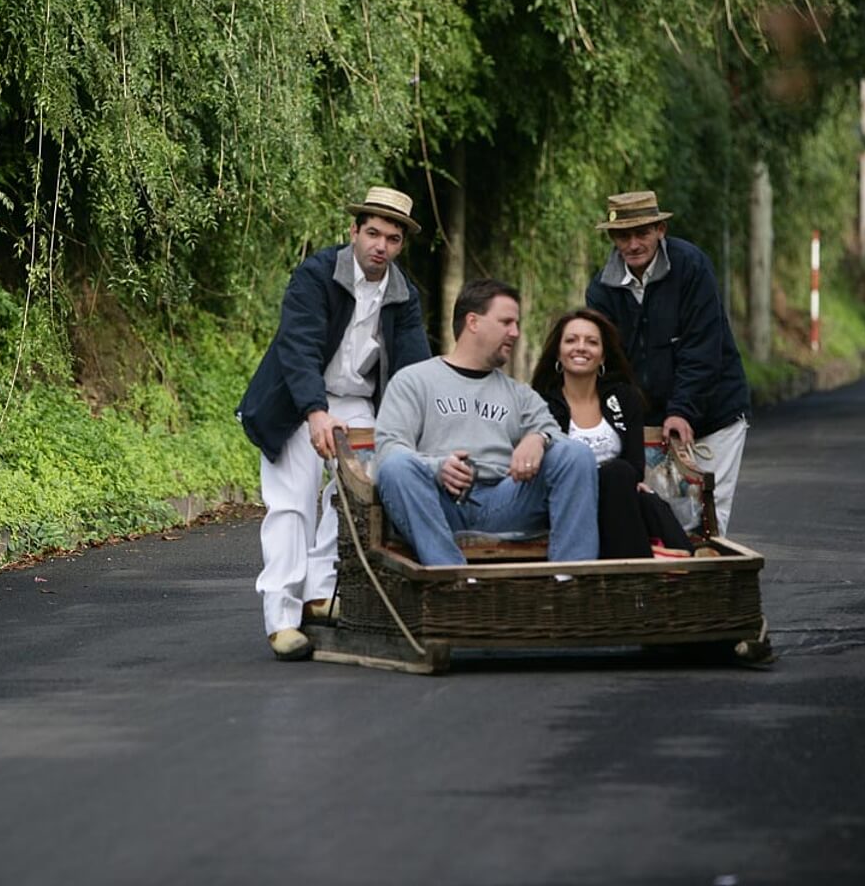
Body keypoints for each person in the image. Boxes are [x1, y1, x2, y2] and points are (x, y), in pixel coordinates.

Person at [236, 187, 431, 661]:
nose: (379, 246)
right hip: (297, 401)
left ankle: (319, 593)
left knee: (352, 497)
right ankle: (281, 618)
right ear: (354, 232)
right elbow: (297, 347)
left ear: (401, 244)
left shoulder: (404, 295)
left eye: (391, 238)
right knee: (291, 503)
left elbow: (412, 367)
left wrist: (416, 427)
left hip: (359, 403)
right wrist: (315, 411)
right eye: (372, 233)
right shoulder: (316, 274)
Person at [373, 279, 599, 567]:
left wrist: (538, 438)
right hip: (437, 505)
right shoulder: (414, 381)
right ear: (473, 322)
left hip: (504, 502)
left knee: (576, 454)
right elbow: (389, 452)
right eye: (506, 322)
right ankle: (453, 579)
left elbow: (555, 435)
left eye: (516, 324)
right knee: (395, 467)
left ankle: (571, 582)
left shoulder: (518, 393)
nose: (515, 333)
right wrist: (438, 468)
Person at [586, 190, 751, 534]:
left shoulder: (690, 266)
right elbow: (608, 365)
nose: (633, 244)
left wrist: (683, 410)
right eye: (623, 236)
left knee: (706, 519)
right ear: (613, 239)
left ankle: (710, 585)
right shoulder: (601, 289)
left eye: (642, 233)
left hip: (714, 414)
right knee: (662, 517)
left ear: (660, 230)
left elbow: (703, 349)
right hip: (648, 422)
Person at [531, 308, 692, 559]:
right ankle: (644, 571)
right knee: (620, 480)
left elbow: (635, 466)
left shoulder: (624, 398)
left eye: (592, 342)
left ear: (603, 356)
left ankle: (641, 568)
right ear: (558, 352)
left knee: (621, 478)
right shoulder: (540, 404)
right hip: (566, 502)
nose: (581, 347)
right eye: (571, 340)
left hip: (620, 496)